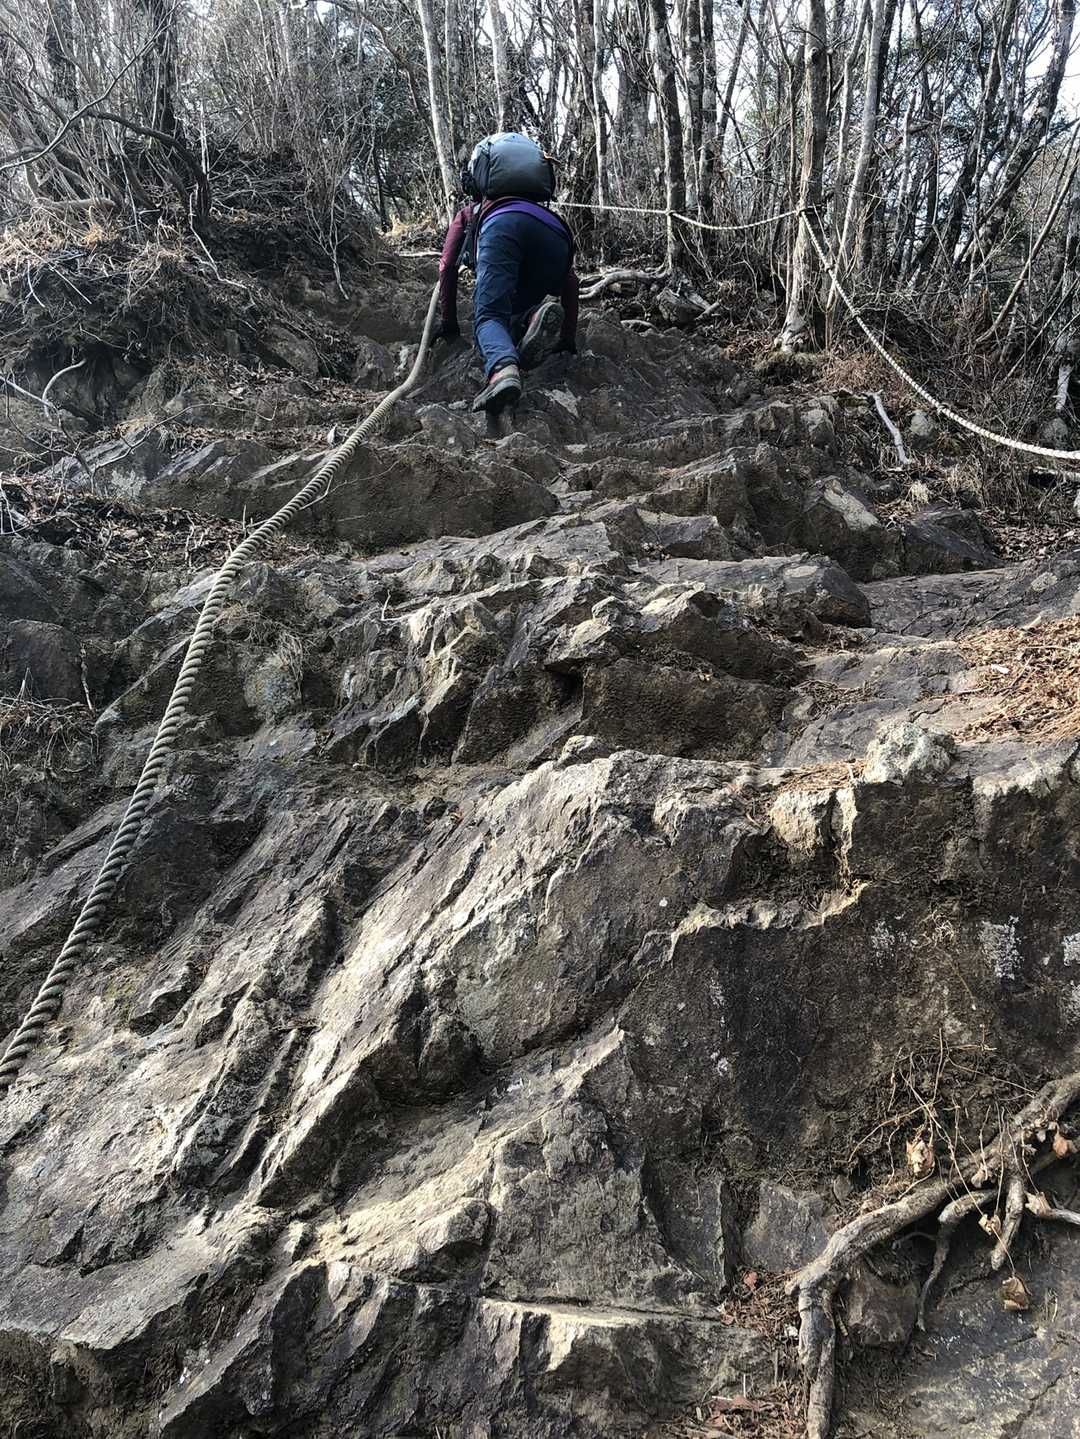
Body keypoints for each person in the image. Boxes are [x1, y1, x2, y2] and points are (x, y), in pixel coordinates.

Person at [436, 139, 579, 416]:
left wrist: (449, 322)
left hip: (503, 228)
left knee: (489, 317)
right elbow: (570, 281)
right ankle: (533, 317)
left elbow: (447, 266)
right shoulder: (542, 211)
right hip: (557, 235)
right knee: (512, 314)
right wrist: (567, 339)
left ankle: (502, 370)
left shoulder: (470, 213)